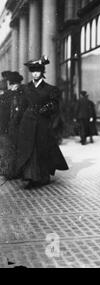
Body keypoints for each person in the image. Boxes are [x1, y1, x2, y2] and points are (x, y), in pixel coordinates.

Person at [15, 56, 69, 188]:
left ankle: (42, 176)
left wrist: (48, 108)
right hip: (27, 122)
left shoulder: (50, 89)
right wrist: (17, 122)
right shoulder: (26, 88)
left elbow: (56, 106)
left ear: (42, 72)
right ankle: (30, 176)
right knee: (29, 148)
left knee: (41, 148)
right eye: (33, 71)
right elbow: (22, 107)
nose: (35, 73)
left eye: (38, 71)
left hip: (42, 123)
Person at [0, 71, 25, 179]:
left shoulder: (10, 95)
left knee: (9, 150)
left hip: (11, 127)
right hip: (9, 127)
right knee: (9, 150)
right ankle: (11, 171)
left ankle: (11, 171)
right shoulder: (8, 95)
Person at [0, 76, 14, 178]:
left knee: (5, 150)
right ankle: (7, 171)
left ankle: (7, 171)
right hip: (5, 129)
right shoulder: (9, 97)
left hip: (4, 129)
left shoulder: (6, 97)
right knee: (6, 151)